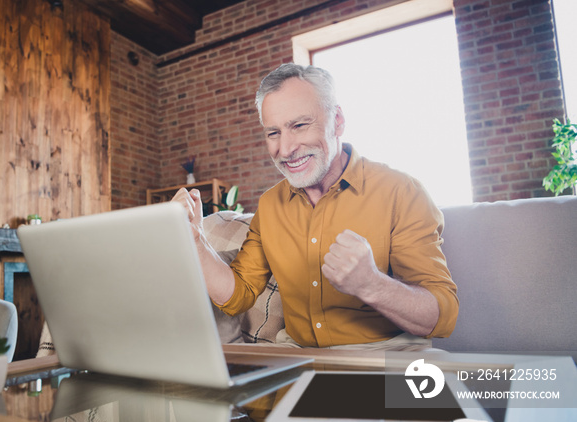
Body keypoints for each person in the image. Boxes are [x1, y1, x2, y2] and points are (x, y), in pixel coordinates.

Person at [172, 63, 458, 350]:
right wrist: (195, 240)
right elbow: (239, 296)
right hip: (297, 356)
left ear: (338, 120)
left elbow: (442, 317)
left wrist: (371, 284)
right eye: (273, 133)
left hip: (385, 355)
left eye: (299, 125)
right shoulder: (270, 204)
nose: (285, 150)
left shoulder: (401, 192)